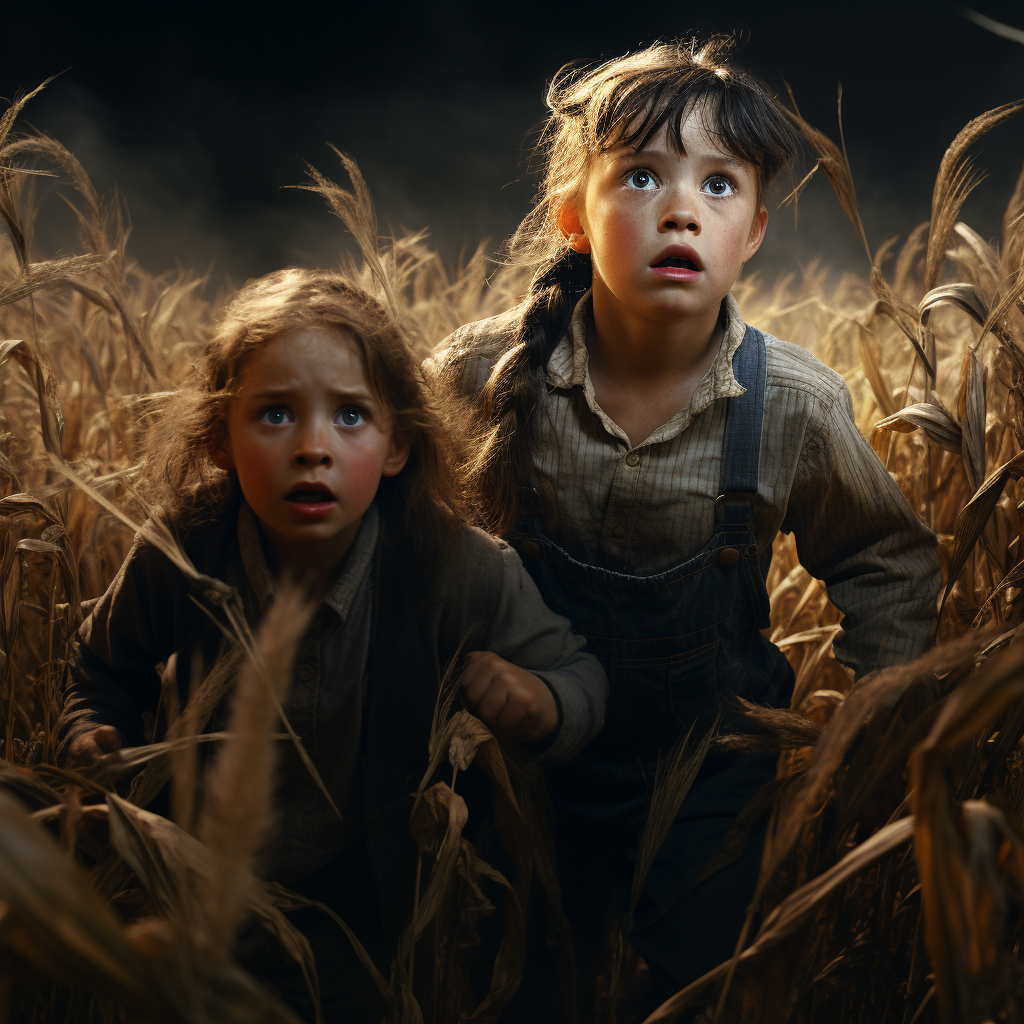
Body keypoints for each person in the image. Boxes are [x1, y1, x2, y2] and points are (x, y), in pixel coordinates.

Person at [429, 37, 942, 1015]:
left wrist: (870, 733)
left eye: (717, 184)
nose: (678, 207)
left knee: (708, 988)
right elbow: (409, 535)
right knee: (527, 979)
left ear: (751, 230)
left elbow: (888, 562)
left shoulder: (792, 402)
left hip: (713, 768)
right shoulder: (481, 376)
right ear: (573, 217)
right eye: (639, 175)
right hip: (528, 756)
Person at [60, 267, 608, 1021]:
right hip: (198, 884)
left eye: (350, 417)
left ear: (397, 447)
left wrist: (542, 701)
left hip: (373, 909)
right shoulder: (182, 552)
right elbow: (102, 665)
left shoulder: (456, 569)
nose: (313, 447)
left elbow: (577, 671)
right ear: (220, 438)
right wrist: (94, 731)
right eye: (276, 415)